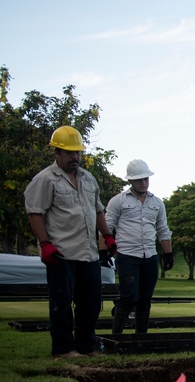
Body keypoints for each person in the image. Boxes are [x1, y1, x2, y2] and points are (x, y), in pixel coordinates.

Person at [24, 125, 117, 358]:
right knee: (62, 303)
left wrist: (106, 235)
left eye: (78, 152)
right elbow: (35, 213)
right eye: (70, 152)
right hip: (61, 252)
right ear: (57, 153)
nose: (75, 157)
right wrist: (44, 243)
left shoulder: (88, 179)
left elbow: (98, 211)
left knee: (92, 302)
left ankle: (87, 345)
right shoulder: (46, 179)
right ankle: (63, 349)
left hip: (88, 251)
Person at [105, 159, 173, 335]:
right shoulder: (118, 201)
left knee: (145, 300)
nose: (143, 183)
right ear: (130, 181)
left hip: (149, 255)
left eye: (146, 179)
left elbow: (163, 229)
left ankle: (141, 338)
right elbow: (106, 227)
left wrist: (168, 253)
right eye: (139, 180)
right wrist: (103, 251)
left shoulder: (157, 202)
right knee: (129, 298)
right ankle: (116, 337)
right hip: (127, 255)